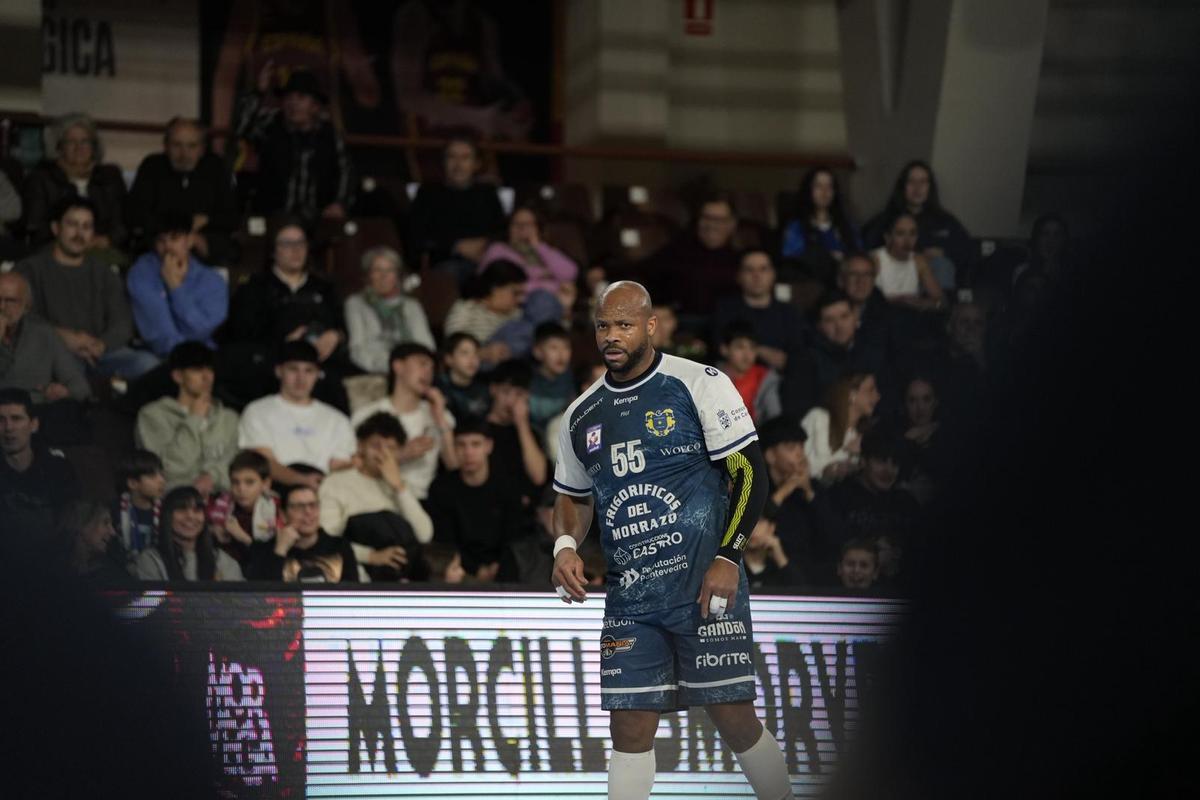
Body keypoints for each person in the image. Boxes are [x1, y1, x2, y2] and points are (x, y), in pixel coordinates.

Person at [550, 281, 794, 800]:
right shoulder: (581, 415)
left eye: (624, 325)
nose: (611, 336)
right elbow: (573, 497)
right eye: (602, 325)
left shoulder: (696, 382)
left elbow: (748, 471)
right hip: (632, 598)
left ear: (651, 325)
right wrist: (565, 546)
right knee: (629, 730)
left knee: (734, 720)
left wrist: (730, 556)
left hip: (703, 585)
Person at [16, 197, 157, 379]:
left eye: (86, 226)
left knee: (149, 365)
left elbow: (122, 322)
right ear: (55, 228)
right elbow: (18, 317)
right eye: (72, 224)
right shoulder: (29, 269)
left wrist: (100, 345)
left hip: (103, 353)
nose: (79, 233)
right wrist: (64, 338)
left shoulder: (104, 272)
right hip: (51, 352)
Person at [221, 218, 350, 409]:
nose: (296, 250)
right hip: (272, 366)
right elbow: (241, 336)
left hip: (321, 365)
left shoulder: (325, 288)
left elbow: (342, 328)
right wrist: (283, 342)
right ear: (273, 251)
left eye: (301, 243)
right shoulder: (253, 288)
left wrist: (335, 336)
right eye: (287, 244)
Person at [319, 412, 433, 572]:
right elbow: (325, 540)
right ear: (360, 446)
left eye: (391, 448)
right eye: (375, 446)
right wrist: (371, 556)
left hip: (401, 574)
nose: (383, 454)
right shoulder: (336, 483)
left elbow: (424, 535)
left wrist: (398, 487)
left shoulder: (401, 485)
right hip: (355, 571)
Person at [235, 67, 353, 222]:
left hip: (317, 218)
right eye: (288, 97)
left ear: (315, 106)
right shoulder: (271, 125)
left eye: (301, 97)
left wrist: (340, 204)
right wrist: (258, 92)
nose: (293, 103)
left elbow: (346, 171)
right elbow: (242, 128)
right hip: (272, 216)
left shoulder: (329, 135)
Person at [237, 340, 356, 489]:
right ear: (279, 371)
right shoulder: (257, 411)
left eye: (309, 371)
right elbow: (263, 462)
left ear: (318, 374)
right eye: (293, 369)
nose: (301, 378)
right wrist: (301, 480)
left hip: (325, 493)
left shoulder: (338, 420)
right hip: (274, 491)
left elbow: (339, 466)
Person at [426, 417, 532, 583]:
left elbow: (513, 536)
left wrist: (498, 566)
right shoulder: (441, 489)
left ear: (488, 446)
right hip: (459, 568)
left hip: (504, 567)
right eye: (461, 445)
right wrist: (476, 569)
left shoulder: (508, 486)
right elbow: (445, 540)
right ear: (454, 447)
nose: (468, 452)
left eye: (475, 444)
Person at [350, 342, 457, 499]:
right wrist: (400, 456)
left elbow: (453, 466)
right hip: (376, 495)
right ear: (398, 366)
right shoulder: (367, 413)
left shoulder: (440, 415)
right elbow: (354, 463)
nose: (428, 372)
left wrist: (440, 418)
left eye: (432, 368)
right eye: (422, 364)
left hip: (422, 498)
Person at [125, 117, 239, 264]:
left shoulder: (215, 168)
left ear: (202, 149)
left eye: (191, 146)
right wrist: (180, 230)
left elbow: (232, 217)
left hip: (203, 245)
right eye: (176, 145)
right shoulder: (152, 167)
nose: (184, 154)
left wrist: (206, 222)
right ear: (166, 146)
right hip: (160, 244)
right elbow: (134, 215)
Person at [135, 342, 240, 494]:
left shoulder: (229, 418)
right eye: (197, 370)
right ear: (178, 376)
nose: (206, 377)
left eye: (210, 369)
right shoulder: (153, 416)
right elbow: (169, 470)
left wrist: (212, 477)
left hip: (224, 501)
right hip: (175, 503)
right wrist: (194, 419)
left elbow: (238, 466)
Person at [126, 210, 229, 359]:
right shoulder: (141, 273)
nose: (167, 247)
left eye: (174, 238)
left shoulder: (212, 281)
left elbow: (201, 331)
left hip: (203, 358)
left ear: (190, 240)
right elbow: (159, 335)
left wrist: (175, 287)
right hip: (159, 358)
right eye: (161, 240)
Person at [23, 113, 127, 251]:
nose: (79, 147)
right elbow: (35, 227)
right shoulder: (41, 178)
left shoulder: (110, 177)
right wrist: (72, 241)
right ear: (59, 147)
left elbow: (123, 223)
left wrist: (106, 240)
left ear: (94, 147)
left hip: (102, 250)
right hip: (56, 251)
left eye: (85, 141)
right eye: (71, 141)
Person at [758, 414, 845, 582]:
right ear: (770, 456)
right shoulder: (757, 488)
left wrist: (809, 493)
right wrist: (785, 490)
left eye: (801, 446)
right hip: (770, 578)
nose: (800, 454)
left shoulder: (814, 488)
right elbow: (754, 524)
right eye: (791, 447)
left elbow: (835, 537)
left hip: (810, 577)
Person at [407, 136, 505, 276]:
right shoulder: (427, 194)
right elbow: (417, 237)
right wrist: (456, 246)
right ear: (444, 162)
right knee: (451, 272)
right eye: (452, 157)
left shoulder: (487, 193)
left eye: (465, 158)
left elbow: (502, 231)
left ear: (476, 164)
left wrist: (485, 244)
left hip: (486, 259)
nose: (458, 164)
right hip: (446, 262)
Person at [863, 160, 970, 287]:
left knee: (941, 264)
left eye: (923, 182)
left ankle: (939, 305)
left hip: (934, 282)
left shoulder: (945, 220)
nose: (917, 188)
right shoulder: (885, 219)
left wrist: (944, 253)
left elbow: (968, 249)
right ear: (903, 186)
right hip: (894, 279)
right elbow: (865, 250)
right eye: (911, 182)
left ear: (930, 187)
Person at [782, 289, 888, 418]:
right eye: (829, 320)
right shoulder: (805, 359)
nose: (839, 326)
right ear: (819, 325)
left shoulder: (872, 350)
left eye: (844, 316)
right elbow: (798, 410)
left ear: (855, 317)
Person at [640, 192, 741, 318]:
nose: (711, 225)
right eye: (706, 218)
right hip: (681, 328)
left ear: (732, 224)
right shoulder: (675, 252)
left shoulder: (741, 261)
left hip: (726, 329)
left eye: (719, 220)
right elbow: (642, 274)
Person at [0, 271, 91, 404]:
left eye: (10, 301)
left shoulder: (43, 334)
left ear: (26, 306)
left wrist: (63, 393)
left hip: (35, 415)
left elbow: (80, 387)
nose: (1, 307)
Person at [711, 249, 806, 373]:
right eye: (749, 270)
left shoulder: (790, 313)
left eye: (763, 269)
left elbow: (798, 356)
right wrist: (760, 351)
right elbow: (718, 350)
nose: (757, 276)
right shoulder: (724, 310)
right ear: (739, 276)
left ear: (773, 274)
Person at [0, 388, 80, 535]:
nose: (8, 428)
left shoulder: (58, 470)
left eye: (16, 418)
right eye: (1, 420)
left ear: (33, 424)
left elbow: (70, 525)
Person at [343, 246, 435, 374]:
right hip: (374, 371)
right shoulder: (356, 303)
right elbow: (357, 349)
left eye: (390, 270)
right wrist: (393, 368)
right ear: (369, 275)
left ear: (397, 276)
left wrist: (412, 369)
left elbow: (426, 345)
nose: (383, 276)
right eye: (377, 270)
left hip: (412, 373)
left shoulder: (412, 306)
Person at [247, 483, 361, 583]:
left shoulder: (340, 547)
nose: (308, 512)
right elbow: (262, 597)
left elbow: (353, 595)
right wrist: (280, 551)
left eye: (313, 505)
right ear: (283, 514)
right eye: (299, 507)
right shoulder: (264, 550)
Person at [135, 486, 244, 581]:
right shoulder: (151, 560)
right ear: (167, 517)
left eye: (197, 510)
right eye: (182, 510)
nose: (190, 516)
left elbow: (237, 602)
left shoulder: (222, 561)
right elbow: (147, 603)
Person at [780, 167, 862, 283]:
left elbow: (858, 256)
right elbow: (792, 261)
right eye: (818, 186)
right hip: (810, 284)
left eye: (829, 186)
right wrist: (828, 257)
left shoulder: (847, 226)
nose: (825, 191)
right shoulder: (796, 227)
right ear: (809, 190)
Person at [484, 359, 546, 509]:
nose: (511, 401)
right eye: (505, 392)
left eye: (519, 394)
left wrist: (522, 424)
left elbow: (538, 477)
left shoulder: (530, 433)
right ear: (493, 389)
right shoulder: (479, 430)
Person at [205, 450, 284, 566]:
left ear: (266, 484)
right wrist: (212, 529)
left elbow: (272, 559)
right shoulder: (221, 506)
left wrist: (242, 537)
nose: (241, 489)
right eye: (235, 482)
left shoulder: (277, 510)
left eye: (249, 482)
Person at [480, 204, 579, 297]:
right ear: (509, 228)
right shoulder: (498, 249)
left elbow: (569, 274)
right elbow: (510, 284)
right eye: (516, 224)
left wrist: (538, 246)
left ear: (538, 228)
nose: (522, 228)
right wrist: (548, 281)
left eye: (528, 224)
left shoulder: (546, 250)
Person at [442, 258, 528, 365]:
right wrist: (482, 353)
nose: (521, 299)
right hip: (475, 365)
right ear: (495, 288)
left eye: (522, 294)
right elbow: (453, 345)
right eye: (515, 293)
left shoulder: (517, 314)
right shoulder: (468, 307)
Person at [801, 372, 880, 484]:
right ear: (852, 394)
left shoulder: (858, 434)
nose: (877, 396)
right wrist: (847, 452)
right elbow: (806, 466)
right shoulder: (819, 418)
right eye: (871, 390)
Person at [870, 211, 945, 310]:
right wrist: (896, 302)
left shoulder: (918, 261)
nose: (907, 241)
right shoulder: (874, 259)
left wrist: (921, 303)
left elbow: (941, 301)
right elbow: (864, 300)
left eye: (912, 233)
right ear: (887, 238)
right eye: (900, 234)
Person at [110, 449, 166, 566]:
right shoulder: (114, 510)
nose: (161, 480)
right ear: (132, 483)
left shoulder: (165, 510)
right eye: (152, 476)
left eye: (161, 474)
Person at [718, 322, 782, 423]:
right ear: (724, 349)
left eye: (752, 348)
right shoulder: (712, 377)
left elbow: (774, 417)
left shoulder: (764, 377)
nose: (747, 355)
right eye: (740, 347)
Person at [58, 501, 130, 584]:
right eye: (105, 523)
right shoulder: (54, 573)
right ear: (83, 525)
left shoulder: (110, 570)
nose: (113, 532)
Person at [529, 321, 575, 434]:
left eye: (566, 348)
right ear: (538, 352)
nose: (561, 354)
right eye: (553, 348)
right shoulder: (527, 380)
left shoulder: (573, 380)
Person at [436, 332, 490, 419]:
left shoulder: (484, 386)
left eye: (476, 354)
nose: (472, 360)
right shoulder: (438, 387)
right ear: (449, 359)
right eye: (465, 353)